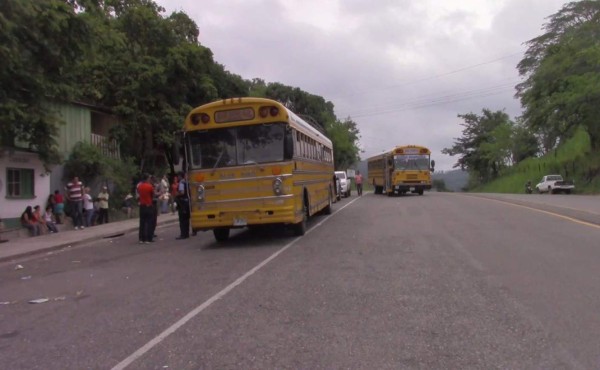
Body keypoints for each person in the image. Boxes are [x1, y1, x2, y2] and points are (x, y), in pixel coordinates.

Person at [137, 174, 155, 244]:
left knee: (142, 222)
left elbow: (139, 195)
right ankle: (148, 238)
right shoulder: (150, 186)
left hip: (142, 205)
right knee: (149, 222)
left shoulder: (139, 186)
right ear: (147, 179)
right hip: (148, 205)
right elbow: (152, 195)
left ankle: (141, 238)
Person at [175, 171, 190, 239]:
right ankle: (186, 233)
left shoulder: (181, 183)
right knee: (186, 219)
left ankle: (183, 234)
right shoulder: (187, 182)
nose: (177, 177)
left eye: (178, 176)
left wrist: (176, 194)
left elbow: (182, 192)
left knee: (182, 219)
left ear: (180, 176)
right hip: (187, 202)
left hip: (182, 203)